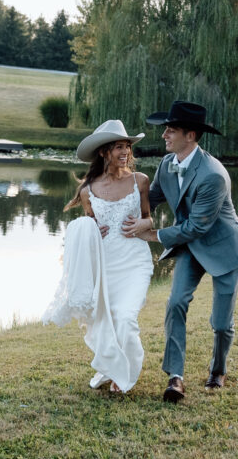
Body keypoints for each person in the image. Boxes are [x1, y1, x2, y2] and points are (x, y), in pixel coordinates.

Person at [122, 100, 238, 403]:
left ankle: (218, 370)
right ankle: (175, 378)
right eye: (165, 128)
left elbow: (196, 227)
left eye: (172, 129)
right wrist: (111, 206)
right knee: (175, 303)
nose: (164, 134)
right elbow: (150, 200)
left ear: (191, 136)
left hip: (223, 249)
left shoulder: (213, 175)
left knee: (220, 323)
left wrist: (151, 234)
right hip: (191, 248)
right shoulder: (167, 165)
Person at [42, 119, 154, 394]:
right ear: (104, 152)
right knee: (107, 319)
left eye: (127, 146)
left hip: (134, 261)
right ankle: (114, 370)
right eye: (118, 147)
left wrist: (143, 225)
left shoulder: (140, 181)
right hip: (105, 265)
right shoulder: (87, 191)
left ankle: (126, 374)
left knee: (126, 318)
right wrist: (91, 227)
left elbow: (149, 220)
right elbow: (86, 231)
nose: (125, 152)